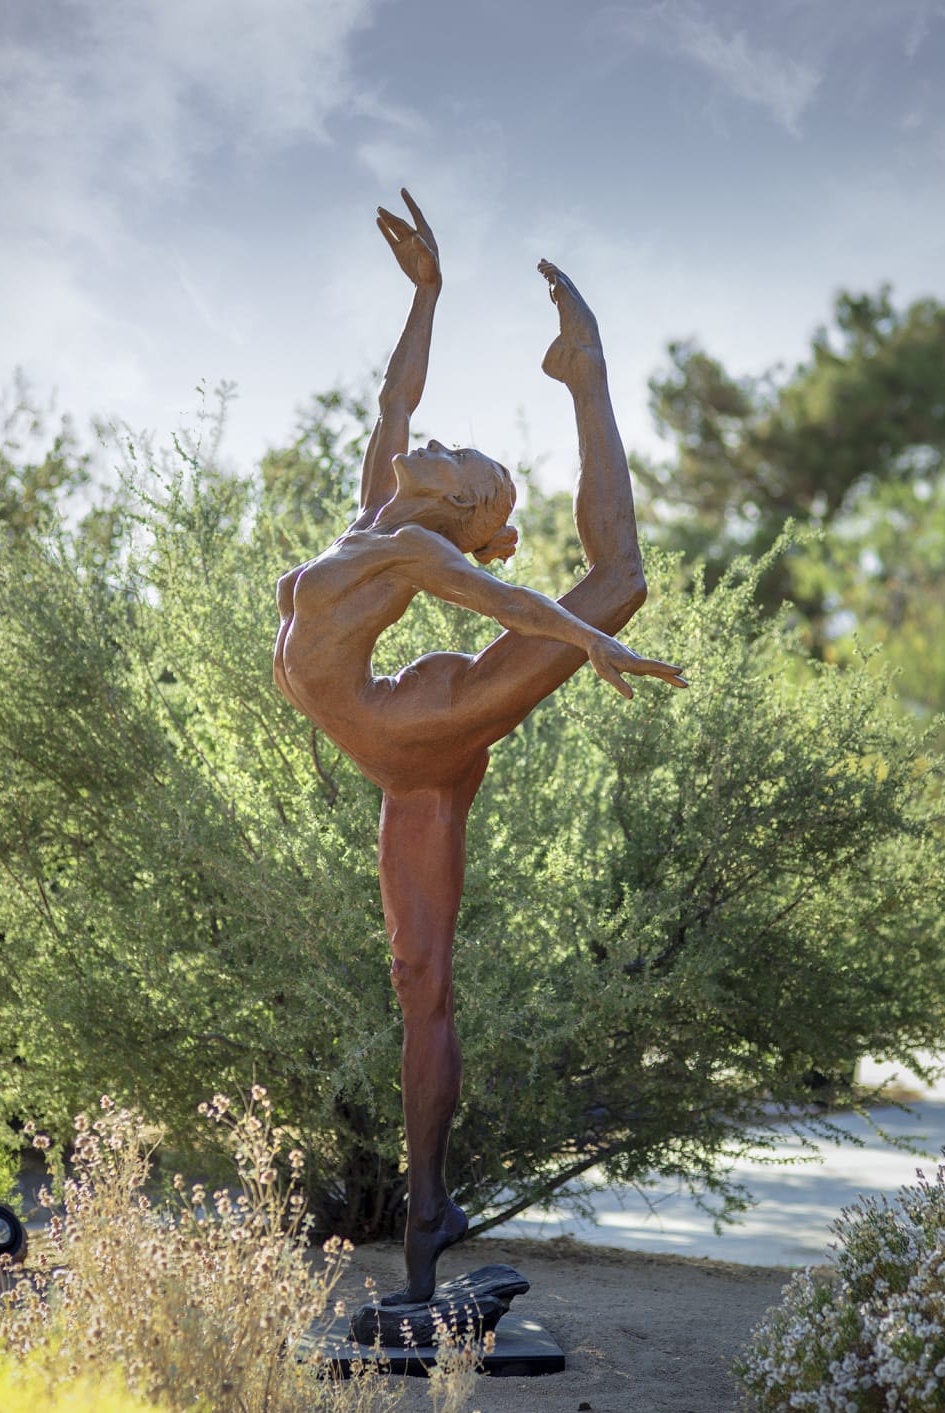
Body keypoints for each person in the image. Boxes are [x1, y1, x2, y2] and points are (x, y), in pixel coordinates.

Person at [274, 190, 686, 1304]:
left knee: (617, 581)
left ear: (456, 507)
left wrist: (593, 641)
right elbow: (394, 397)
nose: (438, 443)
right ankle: (425, 1215)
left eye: (463, 461)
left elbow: (503, 597)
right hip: (399, 760)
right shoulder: (378, 516)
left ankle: (586, 380)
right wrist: (427, 293)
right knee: (420, 985)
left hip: (422, 726)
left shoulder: (415, 551)